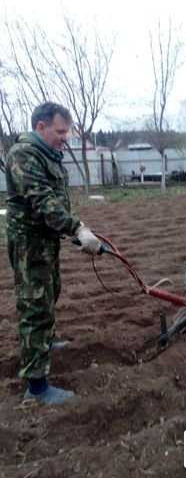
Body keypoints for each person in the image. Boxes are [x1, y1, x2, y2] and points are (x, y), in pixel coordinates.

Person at [5, 102, 101, 405]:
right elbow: (43, 201)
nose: (65, 138)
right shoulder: (23, 155)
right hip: (29, 245)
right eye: (60, 132)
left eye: (67, 132)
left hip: (46, 239)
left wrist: (70, 230)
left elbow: (55, 202)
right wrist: (78, 229)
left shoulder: (48, 154)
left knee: (51, 293)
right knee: (35, 308)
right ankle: (37, 388)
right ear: (41, 126)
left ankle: (45, 341)